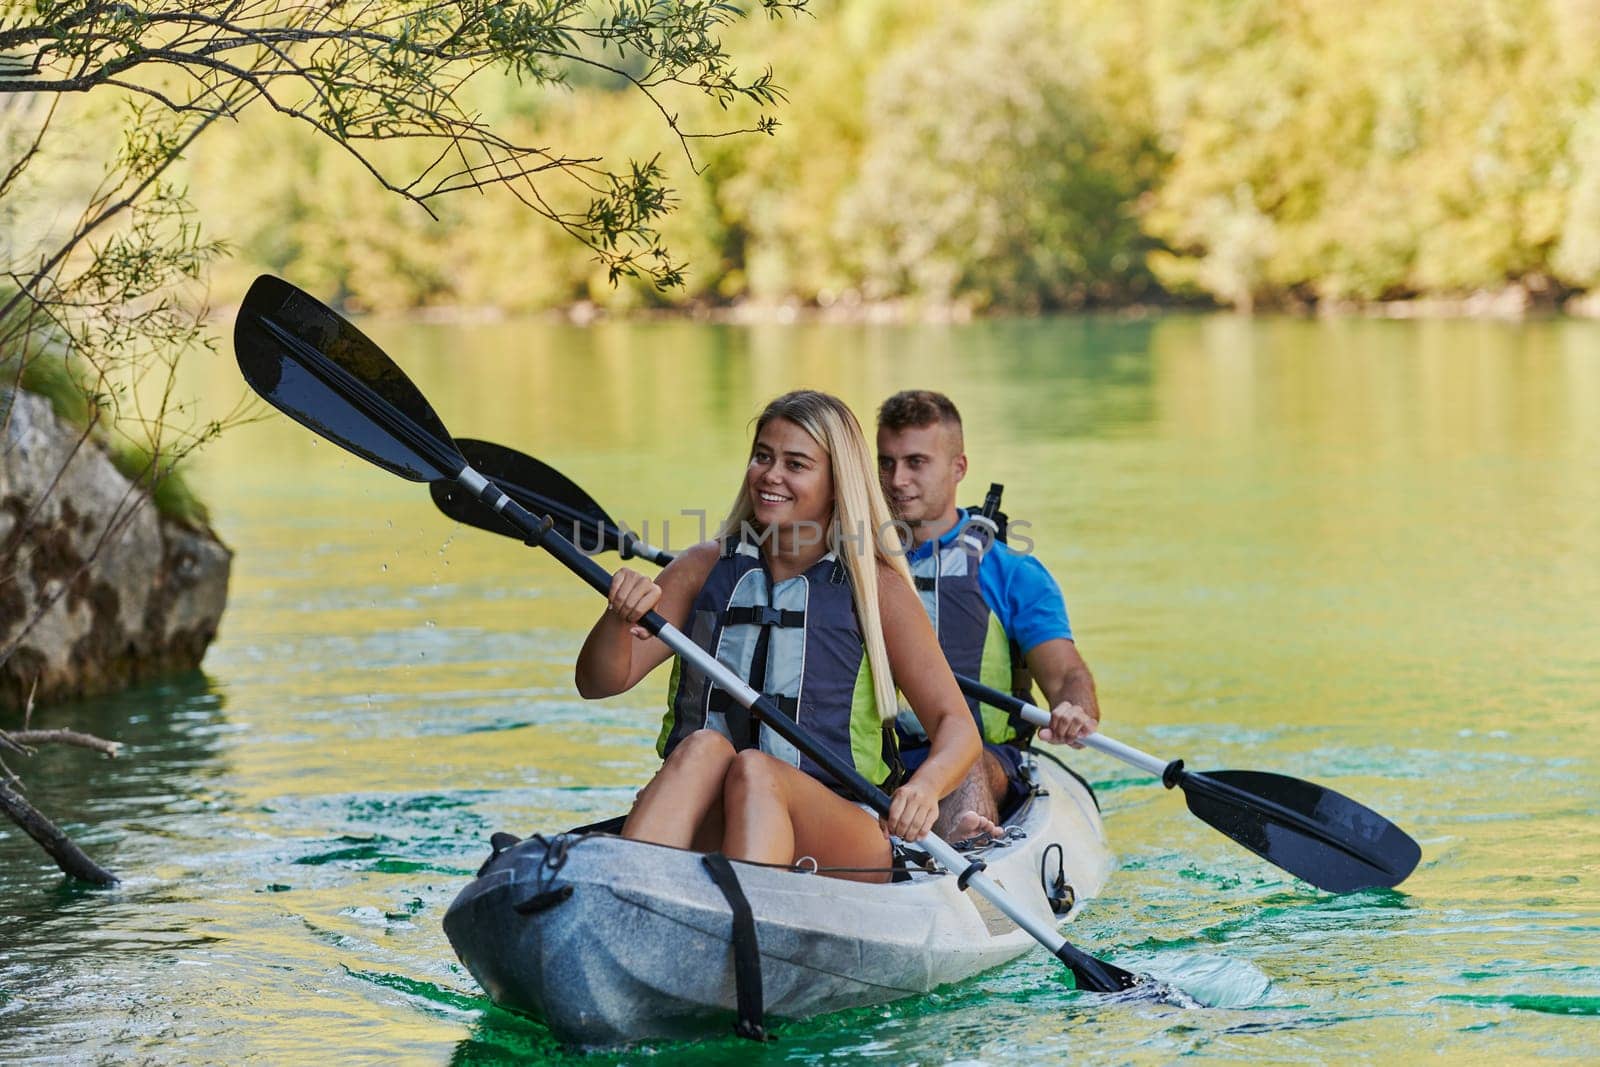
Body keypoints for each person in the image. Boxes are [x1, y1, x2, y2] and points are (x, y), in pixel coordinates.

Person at [574, 390, 980, 883]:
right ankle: (629, 895)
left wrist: (924, 788)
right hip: (719, 817)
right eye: (763, 456)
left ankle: (747, 922)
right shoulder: (703, 569)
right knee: (704, 747)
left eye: (797, 463)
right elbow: (599, 682)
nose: (771, 474)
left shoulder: (878, 589)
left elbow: (956, 727)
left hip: (840, 833)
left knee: (757, 769)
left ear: (836, 482)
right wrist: (618, 619)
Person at [876, 389, 1100, 838]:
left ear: (959, 468)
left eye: (916, 462)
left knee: (966, 758)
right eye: (886, 462)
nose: (897, 479)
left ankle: (969, 858)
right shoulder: (851, 562)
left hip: (984, 759)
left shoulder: (1012, 572)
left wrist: (1073, 708)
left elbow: (1065, 676)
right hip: (872, 758)